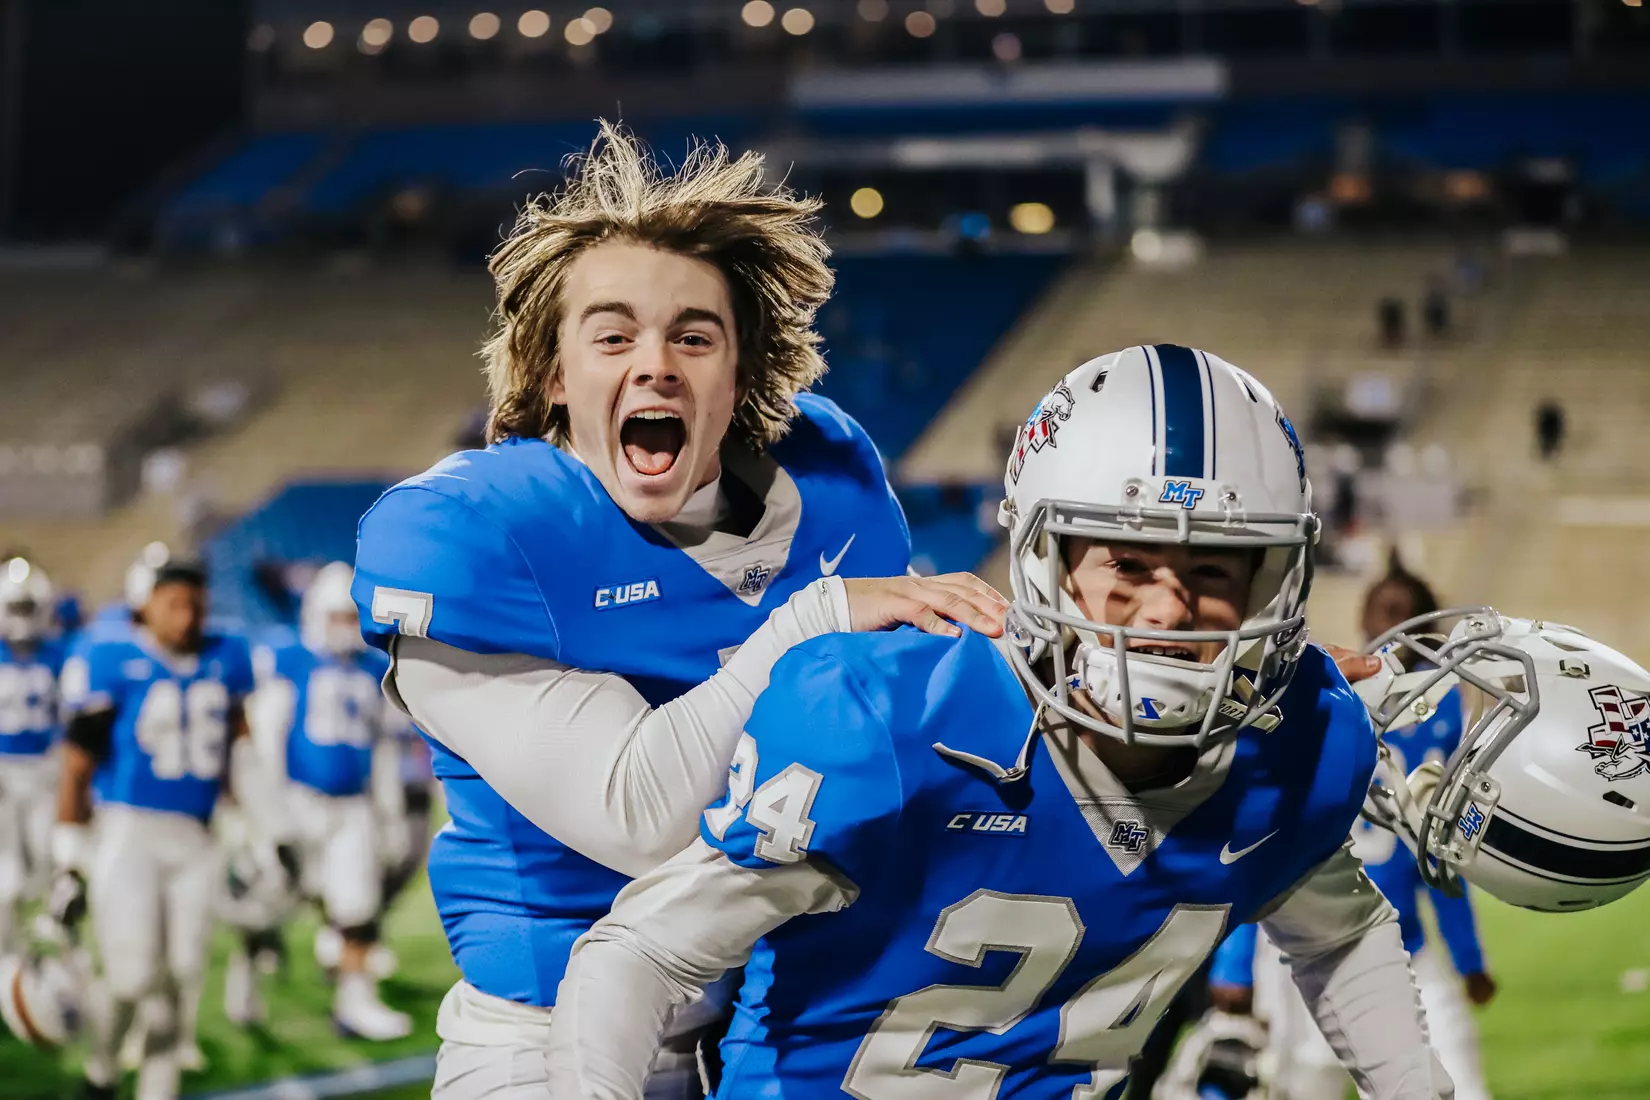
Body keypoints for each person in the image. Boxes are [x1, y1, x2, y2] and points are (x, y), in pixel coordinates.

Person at [544, 345, 1452, 1099]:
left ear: (1273, 584)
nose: (1170, 611)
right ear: (1047, 564)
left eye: (1214, 570)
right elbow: (636, 955)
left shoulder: (1289, 749)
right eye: (1129, 565)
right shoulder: (897, 721)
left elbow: (1340, 932)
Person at [351, 122, 1006, 1100]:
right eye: (612, 335)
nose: (654, 363)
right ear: (552, 374)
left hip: (786, 1022)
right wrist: (808, 618)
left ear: (741, 375)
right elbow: (639, 816)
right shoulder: (474, 532)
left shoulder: (830, 482)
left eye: (693, 336)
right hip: (547, 1035)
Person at [1206, 553, 1495, 1100]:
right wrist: (1237, 961)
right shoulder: (1319, 695)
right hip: (1299, 942)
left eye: (1400, 611)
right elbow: (1256, 836)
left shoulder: (1441, 713)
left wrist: (1469, 957)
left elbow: (1442, 854)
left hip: (1403, 942)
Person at [54, 559, 291, 1100]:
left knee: (182, 976)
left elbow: (244, 752)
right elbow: (77, 764)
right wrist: (66, 859)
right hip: (129, 831)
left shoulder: (227, 656)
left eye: (196, 605)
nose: (187, 619)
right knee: (133, 976)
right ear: (148, 604)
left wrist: (271, 830)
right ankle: (103, 1067)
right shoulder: (110, 654)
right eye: (174, 604)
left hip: (198, 839)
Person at [232, 562, 412, 1039]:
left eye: (351, 618)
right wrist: (266, 816)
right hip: (298, 800)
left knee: (357, 905)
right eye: (336, 617)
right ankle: (247, 976)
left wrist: (389, 815)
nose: (345, 629)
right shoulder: (290, 658)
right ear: (315, 614)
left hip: (353, 805)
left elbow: (385, 753)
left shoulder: (377, 667)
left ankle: (354, 1003)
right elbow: (267, 738)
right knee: (272, 898)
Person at [0, 557, 67, 953]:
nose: (23, 617)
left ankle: (47, 946)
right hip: (3, 771)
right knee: (4, 867)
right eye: (16, 607)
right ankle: (6, 954)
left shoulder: (59, 653)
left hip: (44, 769)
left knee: (48, 859)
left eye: (28, 607)